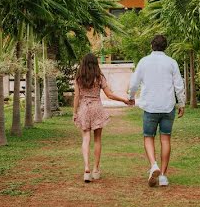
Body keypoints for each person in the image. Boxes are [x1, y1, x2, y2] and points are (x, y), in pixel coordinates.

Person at [128, 34, 185, 187]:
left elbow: (134, 83)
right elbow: (179, 85)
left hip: (150, 107)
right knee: (165, 138)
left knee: (148, 137)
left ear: (151, 45)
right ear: (165, 46)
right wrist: (182, 103)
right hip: (168, 106)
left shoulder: (144, 61)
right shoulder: (171, 62)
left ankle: (154, 165)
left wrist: (131, 96)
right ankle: (164, 176)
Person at [72, 53, 133, 182]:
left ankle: (86, 168)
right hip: (97, 108)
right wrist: (124, 100)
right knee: (97, 139)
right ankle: (96, 169)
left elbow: (77, 97)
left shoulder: (79, 78)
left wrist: (74, 112)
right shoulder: (99, 77)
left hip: (84, 108)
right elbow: (110, 95)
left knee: (86, 139)